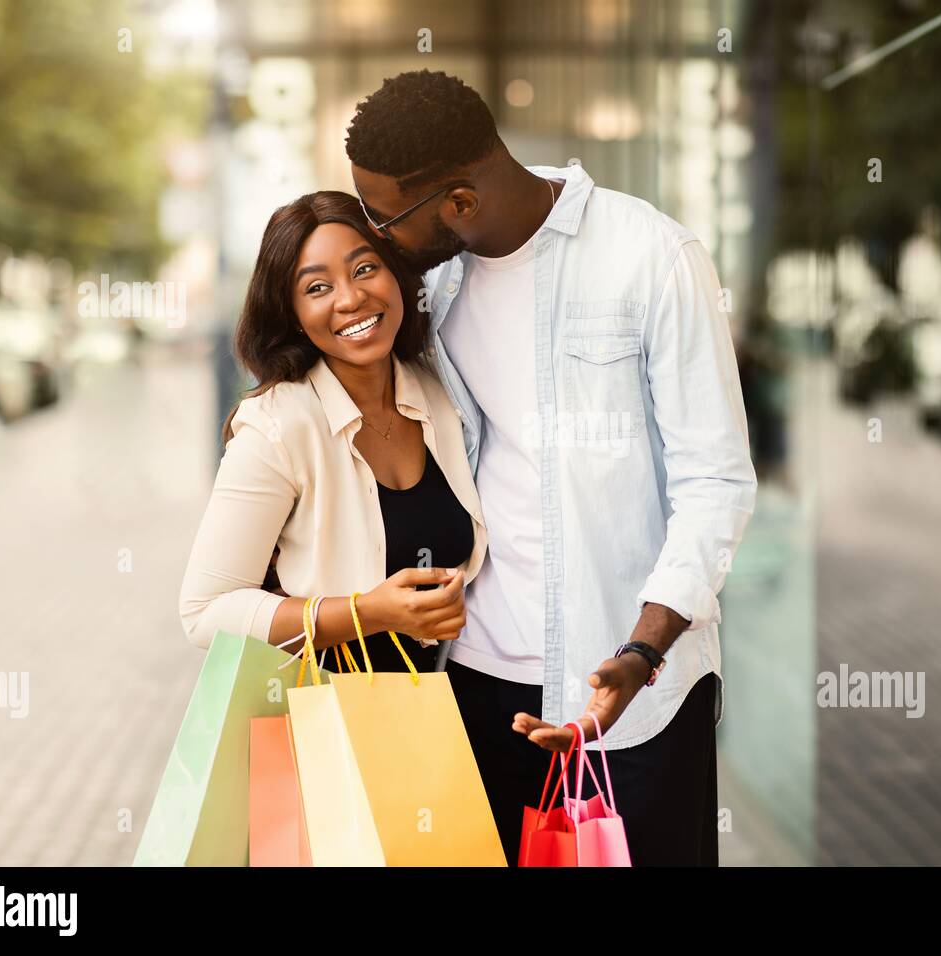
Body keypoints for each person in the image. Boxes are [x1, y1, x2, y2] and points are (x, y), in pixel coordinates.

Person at [344, 71, 758, 865]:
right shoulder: (432, 286)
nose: (377, 236)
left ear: (459, 202)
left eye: (385, 216)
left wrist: (642, 651)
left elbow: (716, 482)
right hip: (473, 678)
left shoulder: (652, 256)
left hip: (630, 690)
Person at [178, 190, 481, 674]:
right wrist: (369, 613)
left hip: (445, 712)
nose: (351, 298)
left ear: (396, 274)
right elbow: (205, 612)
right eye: (317, 288)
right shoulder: (278, 425)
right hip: (328, 718)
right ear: (292, 315)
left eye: (364, 269)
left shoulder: (441, 390)